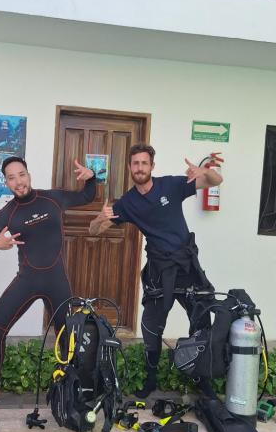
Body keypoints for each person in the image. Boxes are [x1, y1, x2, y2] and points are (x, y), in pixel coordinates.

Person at [89, 143, 223, 397]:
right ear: (130, 167)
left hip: (186, 264)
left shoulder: (171, 185)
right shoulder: (127, 202)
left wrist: (206, 170)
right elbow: (94, 231)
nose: (140, 168)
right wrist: (99, 217)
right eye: (135, 163)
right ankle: (151, 379)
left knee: (201, 318)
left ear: (152, 166)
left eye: (144, 163)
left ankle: (202, 379)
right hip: (159, 268)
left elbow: (216, 180)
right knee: (151, 325)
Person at [0, 156, 96, 390]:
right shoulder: (8, 213)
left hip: (57, 281)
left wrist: (91, 179)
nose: (18, 182)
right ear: (6, 183)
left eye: (21, 175)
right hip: (27, 280)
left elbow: (86, 197)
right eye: (12, 178)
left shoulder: (52, 199)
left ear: (29, 175)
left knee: (66, 337)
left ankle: (69, 388)